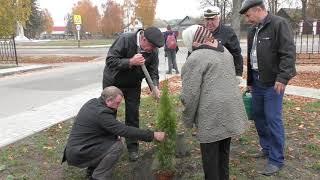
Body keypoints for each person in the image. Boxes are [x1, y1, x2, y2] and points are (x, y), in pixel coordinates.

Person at [181, 25, 248, 180]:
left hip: (211, 113)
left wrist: (187, 118)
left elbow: (190, 94)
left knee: (210, 159)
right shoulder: (224, 51)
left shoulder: (196, 58)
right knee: (223, 153)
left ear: (193, 40)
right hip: (230, 109)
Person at [240, 0, 296, 176]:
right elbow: (251, 58)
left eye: (248, 15)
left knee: (272, 118)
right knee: (258, 115)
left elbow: (288, 52)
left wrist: (283, 77)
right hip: (257, 82)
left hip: (273, 83)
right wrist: (250, 81)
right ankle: (266, 148)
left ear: (259, 9)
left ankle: (276, 159)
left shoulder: (279, 24)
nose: (247, 20)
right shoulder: (252, 30)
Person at [62, 86, 165, 180]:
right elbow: (124, 130)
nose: (118, 106)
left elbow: (107, 128)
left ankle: (92, 171)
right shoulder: (102, 113)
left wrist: (115, 134)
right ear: (108, 100)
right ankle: (97, 177)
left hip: (77, 148)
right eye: (117, 103)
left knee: (113, 139)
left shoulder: (93, 103)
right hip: (79, 153)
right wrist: (153, 135)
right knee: (117, 146)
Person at [102, 26, 164, 161]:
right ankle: (106, 146)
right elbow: (110, 61)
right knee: (108, 113)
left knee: (132, 114)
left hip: (133, 84)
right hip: (114, 81)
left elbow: (153, 70)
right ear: (144, 39)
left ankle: (132, 147)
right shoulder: (125, 40)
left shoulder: (153, 51)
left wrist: (155, 86)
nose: (153, 50)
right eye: (152, 46)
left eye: (155, 48)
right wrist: (130, 62)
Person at [202, 5, 244, 82]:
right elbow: (191, 53)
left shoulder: (227, 32)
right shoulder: (200, 31)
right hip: (204, 74)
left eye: (212, 19)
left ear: (219, 18)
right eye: (207, 19)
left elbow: (236, 53)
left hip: (223, 74)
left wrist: (238, 73)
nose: (209, 22)